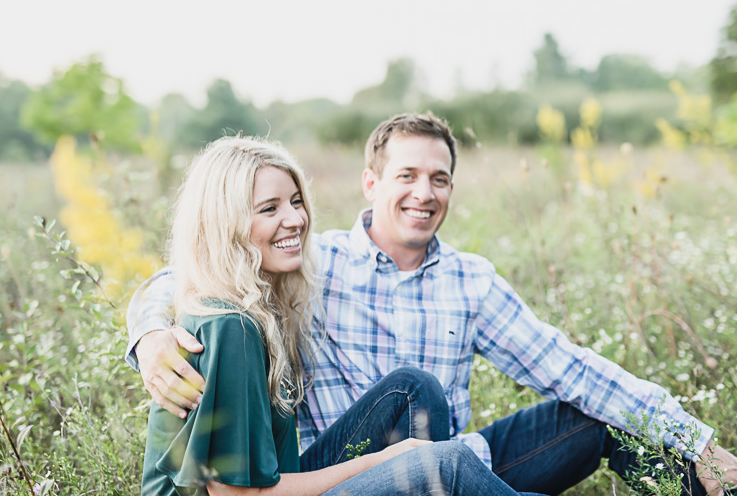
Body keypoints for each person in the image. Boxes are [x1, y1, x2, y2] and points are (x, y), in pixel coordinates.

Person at [130, 113, 737, 496]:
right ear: (373, 184)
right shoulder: (315, 260)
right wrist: (151, 335)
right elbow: (191, 272)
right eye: (406, 175)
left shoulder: (471, 282)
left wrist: (698, 443)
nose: (423, 194)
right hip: (341, 476)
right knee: (414, 388)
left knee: (598, 415)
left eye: (439, 179)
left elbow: (572, 368)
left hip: (450, 465)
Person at [141, 134, 518, 496]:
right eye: (270, 208)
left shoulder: (257, 307)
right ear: (227, 225)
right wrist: (383, 461)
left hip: (279, 481)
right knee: (443, 465)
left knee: (412, 389)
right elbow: (243, 495)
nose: (295, 220)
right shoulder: (230, 326)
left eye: (295, 201)